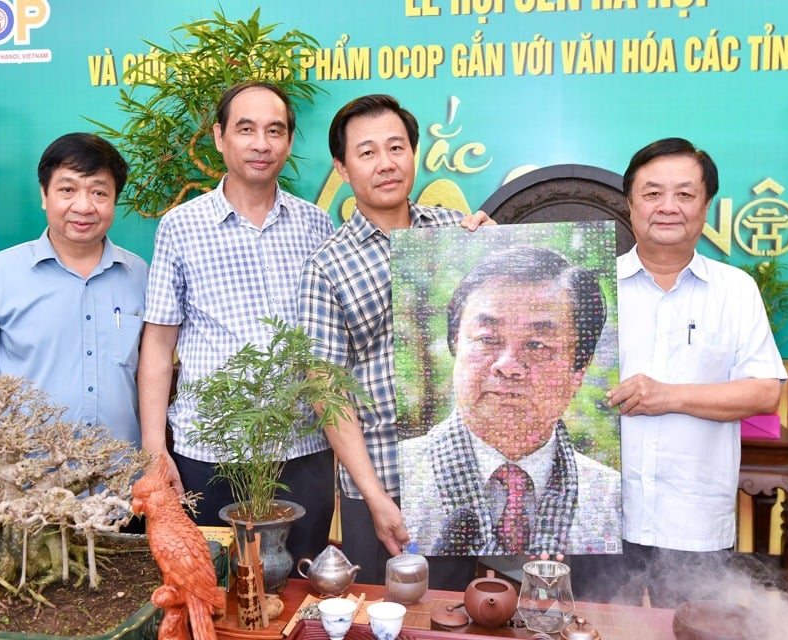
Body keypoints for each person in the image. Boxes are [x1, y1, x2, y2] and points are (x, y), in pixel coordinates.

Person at [571, 137, 787, 607]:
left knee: (692, 632)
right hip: (601, 519)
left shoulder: (736, 290)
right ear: (630, 204)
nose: (668, 207)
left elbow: (764, 393)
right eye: (652, 193)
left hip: (695, 520)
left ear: (706, 206)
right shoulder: (594, 288)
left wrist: (668, 396)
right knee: (591, 631)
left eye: (685, 194)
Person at [137, 82, 336, 568]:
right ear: (220, 136)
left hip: (302, 446)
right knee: (213, 583)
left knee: (296, 584)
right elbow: (158, 347)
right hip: (210, 451)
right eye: (246, 129)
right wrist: (152, 453)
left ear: (289, 143)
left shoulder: (318, 226)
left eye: (275, 131)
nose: (261, 143)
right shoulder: (180, 227)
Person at [297, 94, 492, 588]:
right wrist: (376, 496)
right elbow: (327, 392)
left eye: (396, 148)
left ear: (413, 152)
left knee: (452, 614)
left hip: (459, 478)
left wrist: (496, 245)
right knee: (381, 616)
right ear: (342, 168)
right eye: (367, 153)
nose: (386, 164)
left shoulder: (457, 232)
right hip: (380, 487)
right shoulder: (328, 264)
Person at [399, 244, 621, 556]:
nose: (508, 365)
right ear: (455, 346)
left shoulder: (611, 499)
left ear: (578, 371)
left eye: (537, 344)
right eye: (487, 339)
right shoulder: (394, 480)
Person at [0, 133, 147, 450]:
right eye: (67, 190)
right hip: (27, 483)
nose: (83, 206)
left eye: (99, 192)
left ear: (114, 200)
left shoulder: (140, 276)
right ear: (44, 194)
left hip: (121, 477)